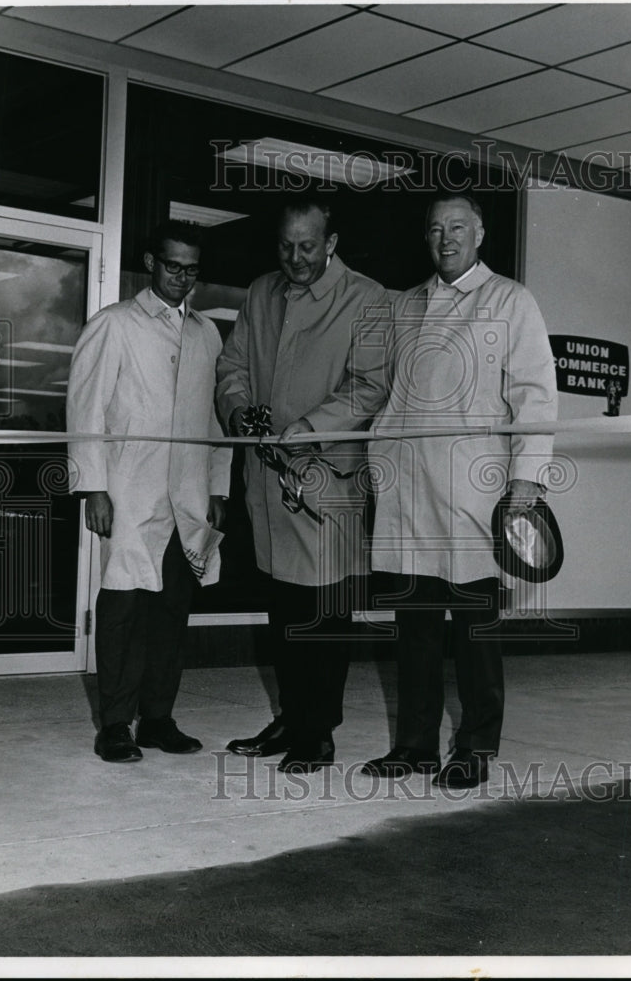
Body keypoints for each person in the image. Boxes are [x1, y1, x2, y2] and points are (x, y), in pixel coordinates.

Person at [362, 192, 558, 788]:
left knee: (476, 632)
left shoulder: (510, 300)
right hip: (407, 492)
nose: (445, 239)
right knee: (415, 630)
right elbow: (386, 393)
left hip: (473, 494)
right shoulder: (406, 305)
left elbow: (535, 395)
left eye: (457, 228)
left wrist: (526, 478)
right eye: (435, 229)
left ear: (479, 235)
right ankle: (415, 745)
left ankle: (475, 747)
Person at [216, 195, 389, 772]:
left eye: (308, 247)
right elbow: (232, 366)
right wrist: (239, 410)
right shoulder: (259, 293)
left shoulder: (366, 298)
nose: (295, 258)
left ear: (331, 243)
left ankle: (318, 731)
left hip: (327, 485)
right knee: (282, 607)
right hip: (268, 485)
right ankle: (290, 717)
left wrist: (309, 428)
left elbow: (369, 386)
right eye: (286, 246)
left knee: (323, 614)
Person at [67, 220, 232, 762]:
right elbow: (86, 410)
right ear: (150, 263)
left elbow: (215, 419)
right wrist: (93, 487)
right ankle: (115, 724)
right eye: (172, 266)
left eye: (191, 269)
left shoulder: (207, 334)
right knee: (122, 609)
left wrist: (217, 486)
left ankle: (158, 718)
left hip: (188, 496)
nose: (182, 277)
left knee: (172, 611)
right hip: (130, 492)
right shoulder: (113, 324)